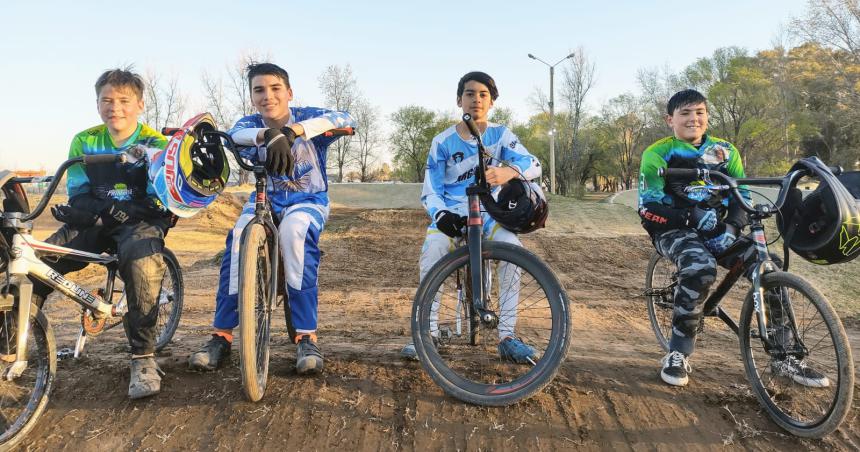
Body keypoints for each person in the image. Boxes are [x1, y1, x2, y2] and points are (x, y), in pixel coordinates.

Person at [638, 89, 828, 388]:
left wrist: (732, 227)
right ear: (670, 120)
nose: (693, 118)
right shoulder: (657, 154)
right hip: (673, 228)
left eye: (699, 112)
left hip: (718, 229)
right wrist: (689, 217)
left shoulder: (726, 151)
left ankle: (785, 356)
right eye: (685, 113)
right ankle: (677, 352)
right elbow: (648, 208)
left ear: (707, 116)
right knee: (700, 268)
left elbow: (743, 195)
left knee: (770, 266)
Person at [188, 62, 354, 375]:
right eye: (259, 90)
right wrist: (269, 135)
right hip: (265, 200)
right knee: (238, 239)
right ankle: (221, 336)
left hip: (308, 201)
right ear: (252, 97)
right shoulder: (248, 122)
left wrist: (292, 132)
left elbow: (346, 118)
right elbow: (235, 136)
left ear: (289, 93)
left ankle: (306, 336)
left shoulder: (306, 116)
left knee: (294, 232)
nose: (268, 96)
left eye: (275, 88)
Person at [35, 68, 173, 399]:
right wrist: (90, 213)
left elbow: (162, 198)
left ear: (140, 104)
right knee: (38, 262)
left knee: (140, 263)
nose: (115, 107)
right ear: (97, 104)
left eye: (124, 100)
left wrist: (128, 212)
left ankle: (143, 357)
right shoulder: (84, 140)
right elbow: (78, 190)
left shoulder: (157, 144)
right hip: (96, 220)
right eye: (107, 100)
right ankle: (15, 338)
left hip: (140, 221)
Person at [400, 71, 542, 363]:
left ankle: (507, 336)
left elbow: (534, 164)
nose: (476, 100)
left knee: (514, 250)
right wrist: (441, 215)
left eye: (483, 95)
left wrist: (507, 171)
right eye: (469, 94)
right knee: (433, 252)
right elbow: (430, 190)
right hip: (453, 212)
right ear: (458, 100)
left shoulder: (501, 135)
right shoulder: (441, 142)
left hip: (490, 213)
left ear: (491, 102)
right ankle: (428, 332)